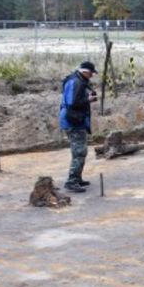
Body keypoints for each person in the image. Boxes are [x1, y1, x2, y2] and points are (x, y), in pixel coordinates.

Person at [59, 61, 98, 192]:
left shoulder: (76, 80)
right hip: (73, 121)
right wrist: (88, 99)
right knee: (79, 151)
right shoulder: (76, 82)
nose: (92, 75)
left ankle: (77, 178)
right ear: (85, 71)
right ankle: (72, 181)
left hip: (75, 120)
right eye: (91, 73)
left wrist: (87, 97)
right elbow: (73, 103)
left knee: (81, 151)